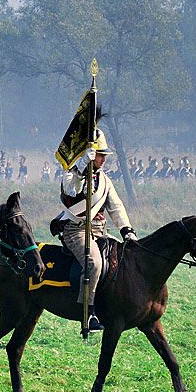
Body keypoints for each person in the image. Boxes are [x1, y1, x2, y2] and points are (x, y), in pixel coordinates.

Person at [51, 127, 137, 332]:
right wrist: (81, 168)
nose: (103, 159)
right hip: (76, 231)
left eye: (103, 155)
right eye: (99, 155)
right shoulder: (71, 175)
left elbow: (115, 207)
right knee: (95, 263)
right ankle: (87, 313)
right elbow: (72, 193)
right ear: (88, 155)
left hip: (99, 231)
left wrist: (126, 230)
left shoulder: (105, 180)